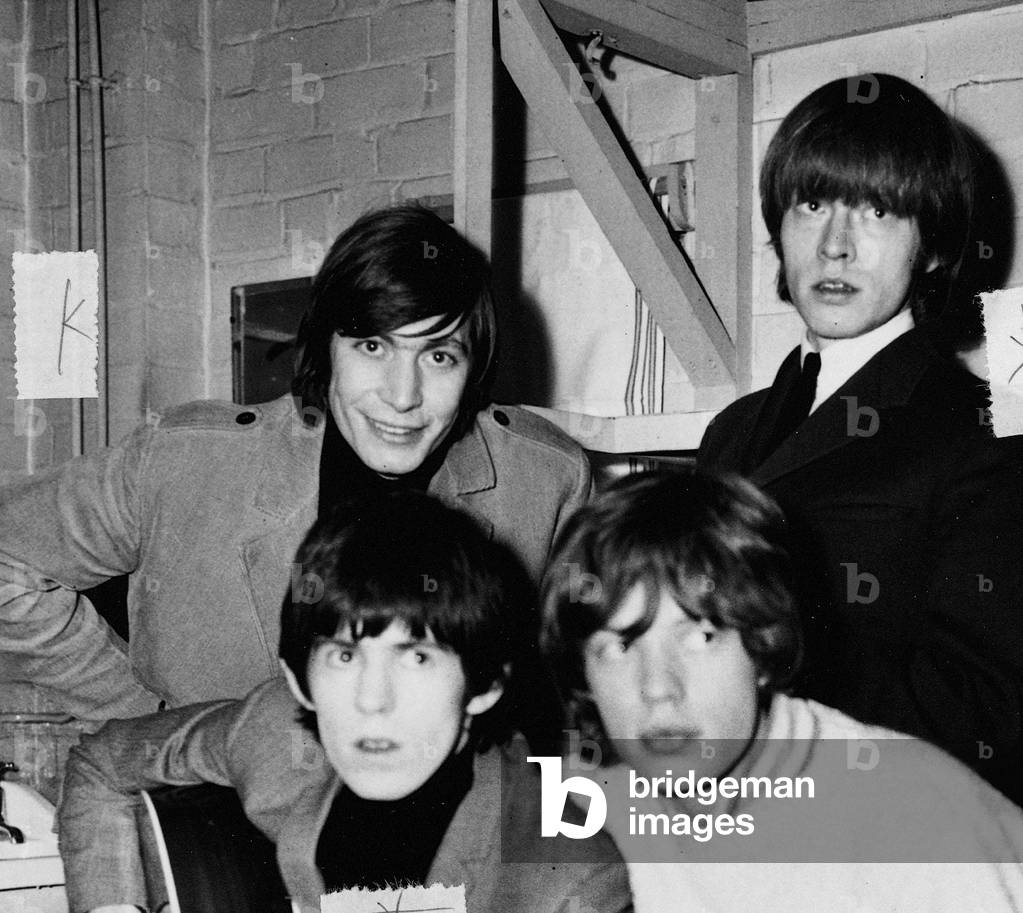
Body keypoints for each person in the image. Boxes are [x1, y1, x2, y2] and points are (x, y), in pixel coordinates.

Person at [0, 204, 590, 721]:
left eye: (438, 356)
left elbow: (582, 680)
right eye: (373, 346)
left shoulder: (543, 479)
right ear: (326, 348)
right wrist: (153, 723)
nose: (403, 396)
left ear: (473, 368)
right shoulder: (183, 462)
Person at [58, 491, 631, 913]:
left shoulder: (565, 879)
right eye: (344, 656)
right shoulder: (274, 736)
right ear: (298, 680)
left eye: (417, 657)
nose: (372, 701)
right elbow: (101, 764)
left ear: (485, 686)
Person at [696, 73, 1023, 801]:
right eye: (812, 205)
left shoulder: (986, 434)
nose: (835, 246)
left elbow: (990, 711)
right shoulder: (731, 431)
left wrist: (765, 693)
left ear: (931, 248)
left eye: (877, 211)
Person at [540, 469, 1023, 912]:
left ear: (764, 644)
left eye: (700, 638)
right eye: (619, 648)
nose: (658, 689)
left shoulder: (917, 821)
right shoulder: (586, 802)